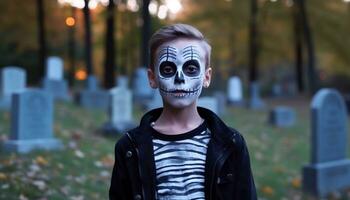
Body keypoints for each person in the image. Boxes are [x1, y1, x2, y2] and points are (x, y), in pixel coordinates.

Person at [109, 23, 257, 200]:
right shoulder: (129, 147)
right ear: (152, 78)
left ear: (206, 77)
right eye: (168, 69)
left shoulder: (231, 144)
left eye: (191, 69)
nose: (179, 79)